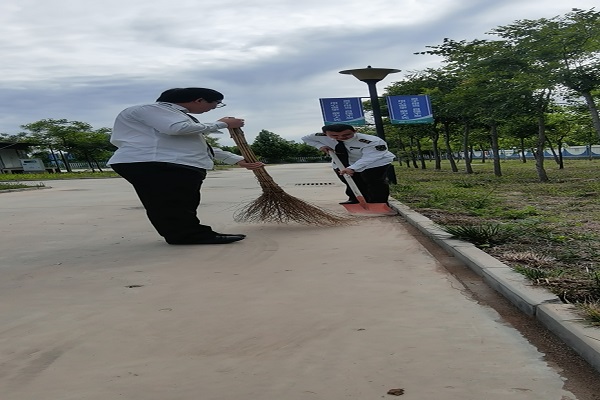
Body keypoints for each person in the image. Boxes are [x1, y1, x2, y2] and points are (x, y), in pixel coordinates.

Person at [107, 87, 264, 245]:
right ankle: (189, 235)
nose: (214, 107)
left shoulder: (175, 115)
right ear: (199, 100)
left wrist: (235, 159)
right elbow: (175, 129)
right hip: (156, 162)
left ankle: (184, 234)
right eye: (216, 103)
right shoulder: (152, 109)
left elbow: (196, 145)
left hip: (162, 162)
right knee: (173, 203)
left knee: (177, 202)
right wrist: (221, 124)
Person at [301, 123, 395, 204]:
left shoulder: (372, 141)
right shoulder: (319, 136)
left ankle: (378, 202)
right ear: (325, 134)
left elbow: (370, 157)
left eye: (346, 135)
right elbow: (305, 138)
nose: (341, 137)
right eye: (334, 135)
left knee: (373, 181)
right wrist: (320, 146)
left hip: (375, 162)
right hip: (343, 161)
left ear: (355, 131)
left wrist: (352, 168)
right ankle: (355, 200)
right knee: (350, 180)